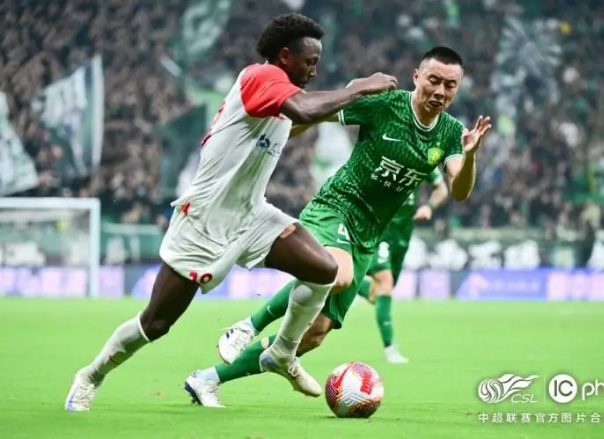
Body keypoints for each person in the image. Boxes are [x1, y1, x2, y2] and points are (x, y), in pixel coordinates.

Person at [64, 13, 397, 412]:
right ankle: (91, 375)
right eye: (309, 62)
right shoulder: (261, 76)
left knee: (324, 270)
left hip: (252, 215)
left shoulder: (280, 97)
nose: (314, 71)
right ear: (285, 56)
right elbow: (305, 111)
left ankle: (282, 353)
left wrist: (347, 106)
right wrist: (357, 89)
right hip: (204, 222)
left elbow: (299, 119)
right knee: (156, 324)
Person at [190, 46, 491, 406]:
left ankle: (208, 379)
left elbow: (460, 191)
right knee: (339, 274)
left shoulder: (451, 132)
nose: (440, 91)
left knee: (314, 333)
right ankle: (248, 325)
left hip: (369, 234)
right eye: (434, 80)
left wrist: (470, 155)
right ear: (416, 76)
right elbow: (321, 113)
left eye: (450, 85)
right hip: (337, 206)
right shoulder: (386, 104)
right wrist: (277, 134)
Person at [355, 171, 449, 364]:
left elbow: (442, 189)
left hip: (402, 234)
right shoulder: (379, 158)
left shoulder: (423, 160)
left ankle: (346, 282)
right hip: (377, 230)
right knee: (385, 281)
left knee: (379, 293)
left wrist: (429, 207)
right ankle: (390, 349)